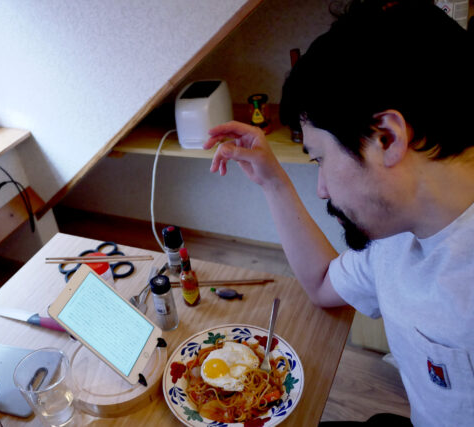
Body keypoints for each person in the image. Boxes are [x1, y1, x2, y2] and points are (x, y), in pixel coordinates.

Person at [203, 1, 474, 426]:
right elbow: (323, 284)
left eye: (319, 159)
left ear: (386, 138)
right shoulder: (399, 233)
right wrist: (273, 180)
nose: (323, 188)